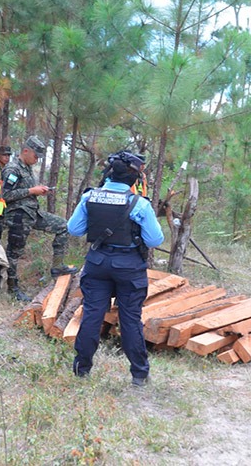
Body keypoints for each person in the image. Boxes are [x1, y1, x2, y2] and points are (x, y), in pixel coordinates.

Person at [67, 151, 164, 386]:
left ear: (110, 174)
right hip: (129, 266)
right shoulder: (139, 204)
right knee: (130, 319)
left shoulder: (89, 196)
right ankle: (139, 375)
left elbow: (74, 229)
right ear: (134, 178)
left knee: (92, 315)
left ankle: (81, 369)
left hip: (97, 263)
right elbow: (155, 240)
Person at [2, 136, 78, 301]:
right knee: (14, 253)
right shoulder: (12, 169)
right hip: (18, 216)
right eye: (35, 156)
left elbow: (26, 191)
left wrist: (39, 191)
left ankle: (58, 266)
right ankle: (12, 289)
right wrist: (31, 191)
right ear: (26, 151)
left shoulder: (27, 168)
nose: (37, 160)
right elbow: (6, 195)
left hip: (32, 213)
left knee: (63, 226)